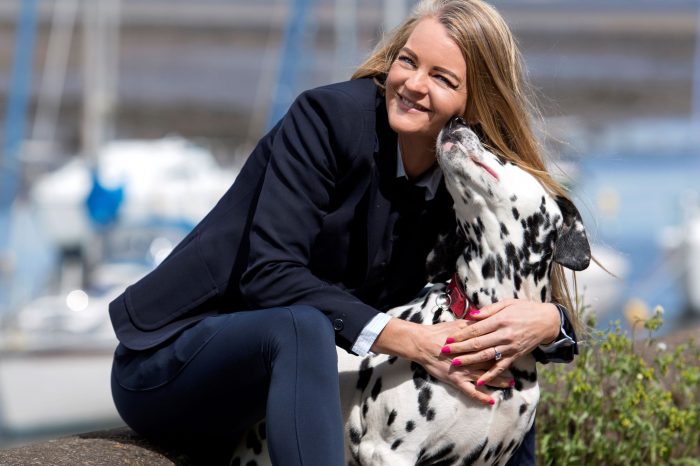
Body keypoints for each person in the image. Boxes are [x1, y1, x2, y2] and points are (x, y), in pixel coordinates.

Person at [109, 1, 579, 465]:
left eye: (442, 78)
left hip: (284, 396)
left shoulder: (466, 181)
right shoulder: (327, 119)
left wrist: (548, 322)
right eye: (408, 61)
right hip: (171, 368)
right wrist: (411, 339)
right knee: (302, 325)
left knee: (492, 349)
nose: (413, 84)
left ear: (475, 103)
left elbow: (513, 283)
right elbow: (269, 273)